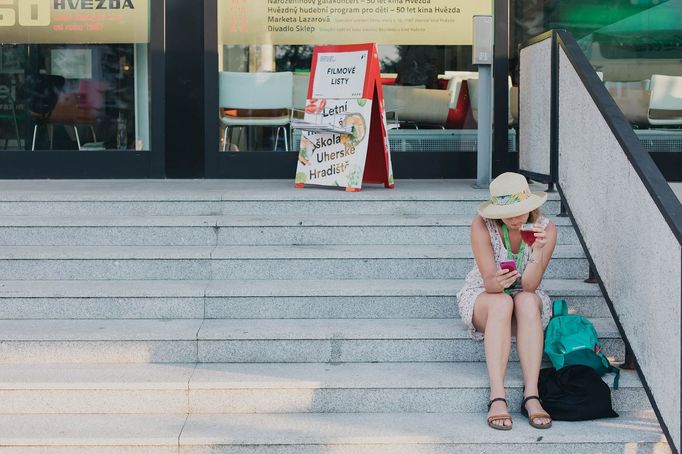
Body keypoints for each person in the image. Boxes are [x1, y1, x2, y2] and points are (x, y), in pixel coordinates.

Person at [456, 172, 556, 430]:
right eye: (508, 212)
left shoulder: (545, 228)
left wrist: (537, 252)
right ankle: (497, 396)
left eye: (520, 210)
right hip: (486, 297)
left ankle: (531, 395)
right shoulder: (482, 225)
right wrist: (499, 281)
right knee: (502, 302)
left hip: (526, 301)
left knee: (524, 300)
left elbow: (531, 286)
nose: (515, 218)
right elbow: (488, 283)